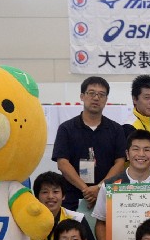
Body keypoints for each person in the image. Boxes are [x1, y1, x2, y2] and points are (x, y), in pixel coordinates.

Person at [92, 130, 150, 240]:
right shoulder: (110, 187)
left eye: (147, 150)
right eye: (136, 149)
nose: (141, 154)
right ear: (127, 154)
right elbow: (101, 223)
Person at [52, 76, 126, 212]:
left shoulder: (116, 129)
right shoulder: (66, 128)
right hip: (72, 197)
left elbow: (120, 163)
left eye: (101, 94)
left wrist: (99, 188)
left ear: (106, 99)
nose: (96, 98)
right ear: (82, 96)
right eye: (91, 93)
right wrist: (86, 190)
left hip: (107, 196)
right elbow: (62, 163)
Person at [29, 171, 98, 240]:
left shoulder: (77, 218)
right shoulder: (26, 222)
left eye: (56, 191)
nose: (50, 196)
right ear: (36, 196)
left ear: (63, 195)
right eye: (45, 192)